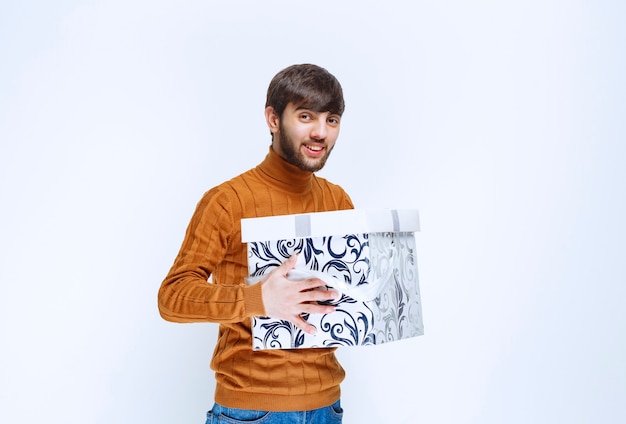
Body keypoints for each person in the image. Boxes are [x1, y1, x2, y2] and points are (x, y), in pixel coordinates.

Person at [158, 64, 354, 424]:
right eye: (306, 116)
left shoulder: (339, 200)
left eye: (332, 120)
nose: (320, 132)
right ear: (273, 119)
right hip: (252, 411)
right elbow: (172, 298)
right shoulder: (227, 200)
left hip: (328, 406)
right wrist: (257, 299)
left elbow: (346, 300)